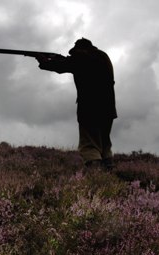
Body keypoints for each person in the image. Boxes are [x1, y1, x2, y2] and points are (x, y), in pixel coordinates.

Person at [36, 38, 117, 170]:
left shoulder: (82, 57)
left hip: (90, 108)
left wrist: (43, 61)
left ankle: (97, 177)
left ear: (79, 49)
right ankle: (110, 171)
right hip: (108, 108)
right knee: (104, 144)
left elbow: (61, 66)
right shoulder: (103, 56)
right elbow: (69, 62)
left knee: (89, 145)